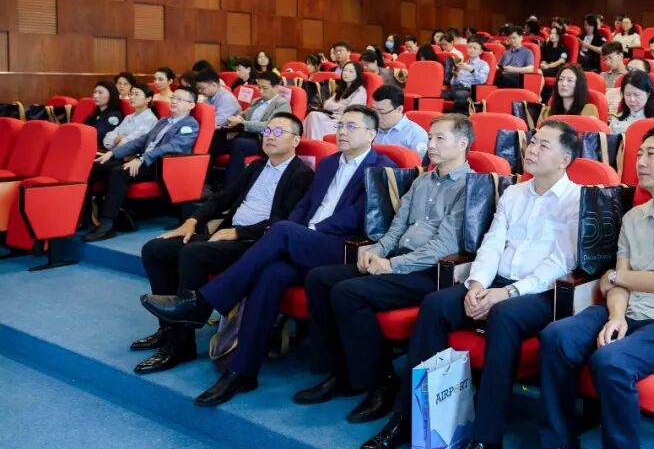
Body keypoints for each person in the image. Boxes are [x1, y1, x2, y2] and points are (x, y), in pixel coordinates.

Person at [358, 121, 583, 449]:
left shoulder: (576, 200)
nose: (532, 150)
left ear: (564, 159)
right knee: (435, 305)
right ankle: (406, 418)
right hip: (495, 281)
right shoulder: (514, 193)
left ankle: (487, 438)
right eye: (533, 141)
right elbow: (491, 243)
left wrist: (508, 293)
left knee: (503, 317)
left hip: (540, 294)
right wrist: (477, 283)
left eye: (543, 146)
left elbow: (560, 262)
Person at [140, 106, 395, 406]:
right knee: (270, 274)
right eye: (340, 126)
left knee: (282, 230)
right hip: (305, 240)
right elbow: (305, 205)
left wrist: (305, 231)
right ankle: (242, 371)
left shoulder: (381, 168)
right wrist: (298, 230)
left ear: (371, 134)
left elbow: (356, 217)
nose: (342, 132)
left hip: (343, 246)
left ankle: (202, 303)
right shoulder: (328, 164)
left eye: (351, 127)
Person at [538, 125, 654, 449]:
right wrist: (616, 315)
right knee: (556, 337)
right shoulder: (633, 217)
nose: (640, 161)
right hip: (628, 310)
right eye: (639, 154)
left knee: (611, 360)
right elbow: (618, 285)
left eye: (651, 154)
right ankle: (563, 446)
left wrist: (616, 277)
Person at [294, 114, 474, 418]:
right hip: (399, 259)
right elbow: (396, 228)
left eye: (439, 138)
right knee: (319, 278)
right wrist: (376, 251)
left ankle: (382, 382)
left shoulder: (470, 187)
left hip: (432, 272)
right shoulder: (422, 180)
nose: (430, 144)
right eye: (430, 137)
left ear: (462, 143)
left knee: (348, 292)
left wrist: (391, 264)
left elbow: (443, 247)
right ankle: (341, 369)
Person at [134, 113, 313, 374]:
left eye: (278, 132)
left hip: (256, 243)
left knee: (194, 253)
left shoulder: (302, 175)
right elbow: (222, 198)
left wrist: (238, 233)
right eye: (267, 131)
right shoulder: (257, 166)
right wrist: (192, 221)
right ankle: (168, 328)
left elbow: (284, 221)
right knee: (155, 248)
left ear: (295, 140)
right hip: (227, 234)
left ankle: (180, 344)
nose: (270, 137)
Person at [84, 86, 201, 243]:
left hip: (161, 166)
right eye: (173, 98)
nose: (174, 101)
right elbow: (141, 141)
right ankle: (84, 215)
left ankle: (107, 223)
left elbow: (173, 147)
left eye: (179, 99)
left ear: (191, 105)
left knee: (119, 172)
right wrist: (113, 153)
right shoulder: (164, 121)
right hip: (144, 160)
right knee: (95, 167)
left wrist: (142, 158)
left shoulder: (190, 125)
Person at [218, 72, 292, 187]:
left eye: (264, 88)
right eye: (259, 87)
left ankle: (231, 187)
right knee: (216, 139)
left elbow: (270, 126)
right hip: (246, 135)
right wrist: (237, 118)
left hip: (263, 139)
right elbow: (245, 114)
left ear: (276, 87)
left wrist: (243, 123)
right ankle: (206, 182)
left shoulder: (282, 104)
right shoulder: (257, 101)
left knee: (239, 144)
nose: (261, 91)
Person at [303, 61, 367, 140]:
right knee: (313, 115)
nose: (346, 73)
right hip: (334, 117)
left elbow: (351, 110)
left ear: (357, 75)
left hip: (345, 122)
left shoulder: (360, 91)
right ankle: (312, 142)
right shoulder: (342, 88)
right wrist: (340, 106)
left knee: (315, 119)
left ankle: (316, 143)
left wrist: (336, 108)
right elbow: (326, 104)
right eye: (345, 70)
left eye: (350, 71)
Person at [371, 84, 429, 158]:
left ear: (399, 109)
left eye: (382, 112)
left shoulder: (417, 134)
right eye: (373, 110)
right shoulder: (369, 127)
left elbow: (417, 163)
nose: (376, 116)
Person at [102, 83, 158, 151]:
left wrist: (119, 140)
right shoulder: (128, 117)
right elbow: (107, 138)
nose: (132, 97)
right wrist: (118, 139)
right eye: (131, 94)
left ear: (148, 99)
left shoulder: (150, 119)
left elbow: (130, 143)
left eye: (136, 94)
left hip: (133, 156)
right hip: (117, 153)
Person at [609, 70, 654, 135]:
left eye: (637, 94)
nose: (632, 99)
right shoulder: (617, 118)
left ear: (648, 94)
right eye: (628, 94)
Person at [447, 38, 491, 113]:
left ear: (480, 52)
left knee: (459, 95)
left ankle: (451, 114)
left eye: (474, 48)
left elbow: (482, 80)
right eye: (469, 47)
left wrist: (471, 70)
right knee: (440, 94)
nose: (471, 50)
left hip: (469, 90)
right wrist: (455, 76)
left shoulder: (483, 64)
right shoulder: (463, 64)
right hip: (457, 88)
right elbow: (453, 83)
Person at [85, 81, 124, 148]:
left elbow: (99, 135)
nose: (95, 96)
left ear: (111, 95)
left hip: (100, 149)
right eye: (94, 92)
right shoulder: (95, 113)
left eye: (100, 93)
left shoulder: (115, 116)